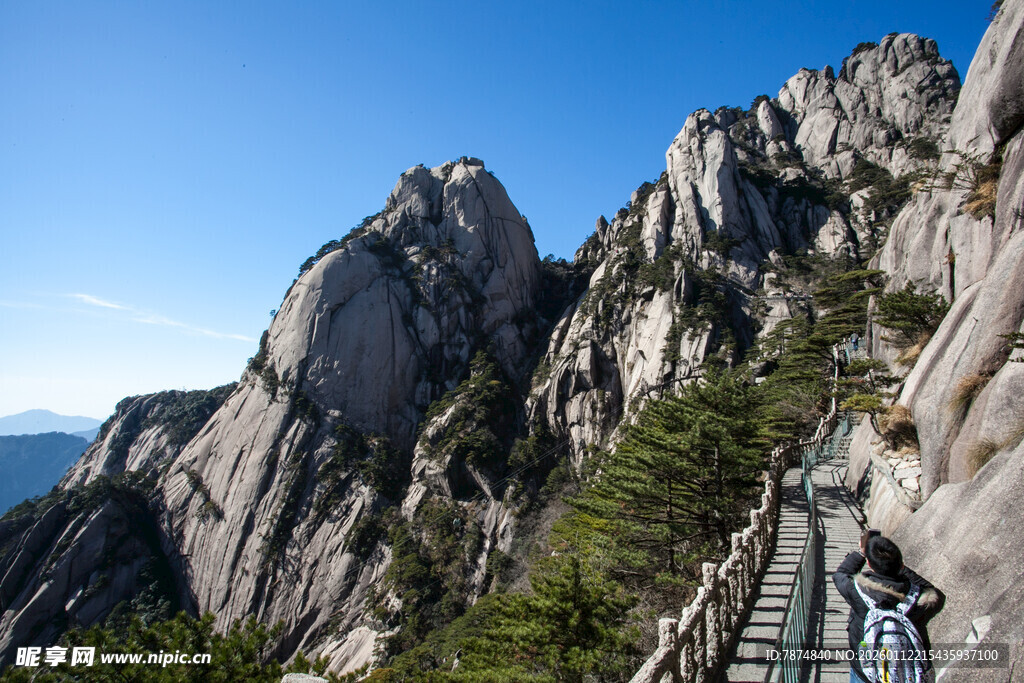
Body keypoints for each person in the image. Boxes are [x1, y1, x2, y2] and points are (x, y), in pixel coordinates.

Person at [833, 532, 945, 683]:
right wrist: (902, 569)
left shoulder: (858, 592)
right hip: (910, 675)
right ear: (900, 563)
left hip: (865, 674)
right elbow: (935, 594)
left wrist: (861, 553)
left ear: (870, 564)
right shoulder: (918, 598)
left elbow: (840, 574)